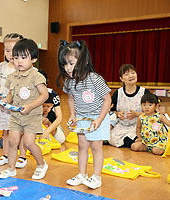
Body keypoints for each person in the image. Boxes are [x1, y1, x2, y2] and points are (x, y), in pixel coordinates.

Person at [57, 40, 111, 189]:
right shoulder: (69, 81)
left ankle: (96, 177)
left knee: (96, 147)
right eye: (65, 64)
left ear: (84, 61)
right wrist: (73, 114)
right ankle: (82, 174)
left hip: (97, 117)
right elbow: (71, 97)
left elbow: (107, 99)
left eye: (71, 63)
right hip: (82, 118)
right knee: (81, 146)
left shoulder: (95, 79)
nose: (67, 68)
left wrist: (100, 119)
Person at [0, 38, 49, 180]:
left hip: (31, 116)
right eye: (16, 57)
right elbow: (11, 95)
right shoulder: (12, 77)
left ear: (34, 59)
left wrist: (30, 106)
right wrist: (4, 101)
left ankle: (41, 164)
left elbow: (45, 95)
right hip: (16, 115)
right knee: (12, 141)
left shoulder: (37, 76)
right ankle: (11, 169)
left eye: (24, 57)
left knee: (29, 143)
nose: (19, 61)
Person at [0, 33, 29, 168]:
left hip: (17, 106)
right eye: (7, 50)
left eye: (14, 50)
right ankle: (6, 155)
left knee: (19, 132)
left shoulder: (22, 68)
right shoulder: (2, 66)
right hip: (3, 106)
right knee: (6, 131)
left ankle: (22, 156)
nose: (11, 54)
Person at [109, 64, 150, 148]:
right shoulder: (117, 93)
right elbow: (110, 110)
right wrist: (117, 114)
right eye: (127, 74)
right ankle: (132, 143)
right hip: (122, 125)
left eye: (133, 73)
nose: (131, 76)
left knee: (137, 137)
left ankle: (137, 143)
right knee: (110, 137)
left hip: (138, 125)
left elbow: (152, 113)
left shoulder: (144, 92)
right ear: (121, 79)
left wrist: (136, 114)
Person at [38, 69, 64, 144]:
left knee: (60, 139)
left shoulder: (53, 94)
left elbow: (59, 118)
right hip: (34, 124)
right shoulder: (29, 94)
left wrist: (47, 131)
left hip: (50, 123)